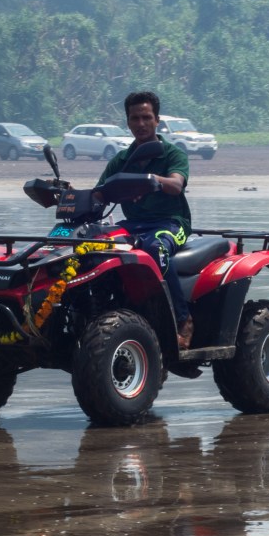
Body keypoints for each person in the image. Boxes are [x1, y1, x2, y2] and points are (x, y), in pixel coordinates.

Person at [94, 91, 194, 350]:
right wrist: (67, 196)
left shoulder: (172, 154)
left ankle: (182, 319)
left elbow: (175, 184)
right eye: (135, 118)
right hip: (133, 225)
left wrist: (149, 181)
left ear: (157, 120)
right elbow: (99, 194)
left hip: (170, 224)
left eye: (146, 117)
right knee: (94, 245)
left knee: (154, 249)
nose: (141, 124)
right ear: (127, 122)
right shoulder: (122, 161)